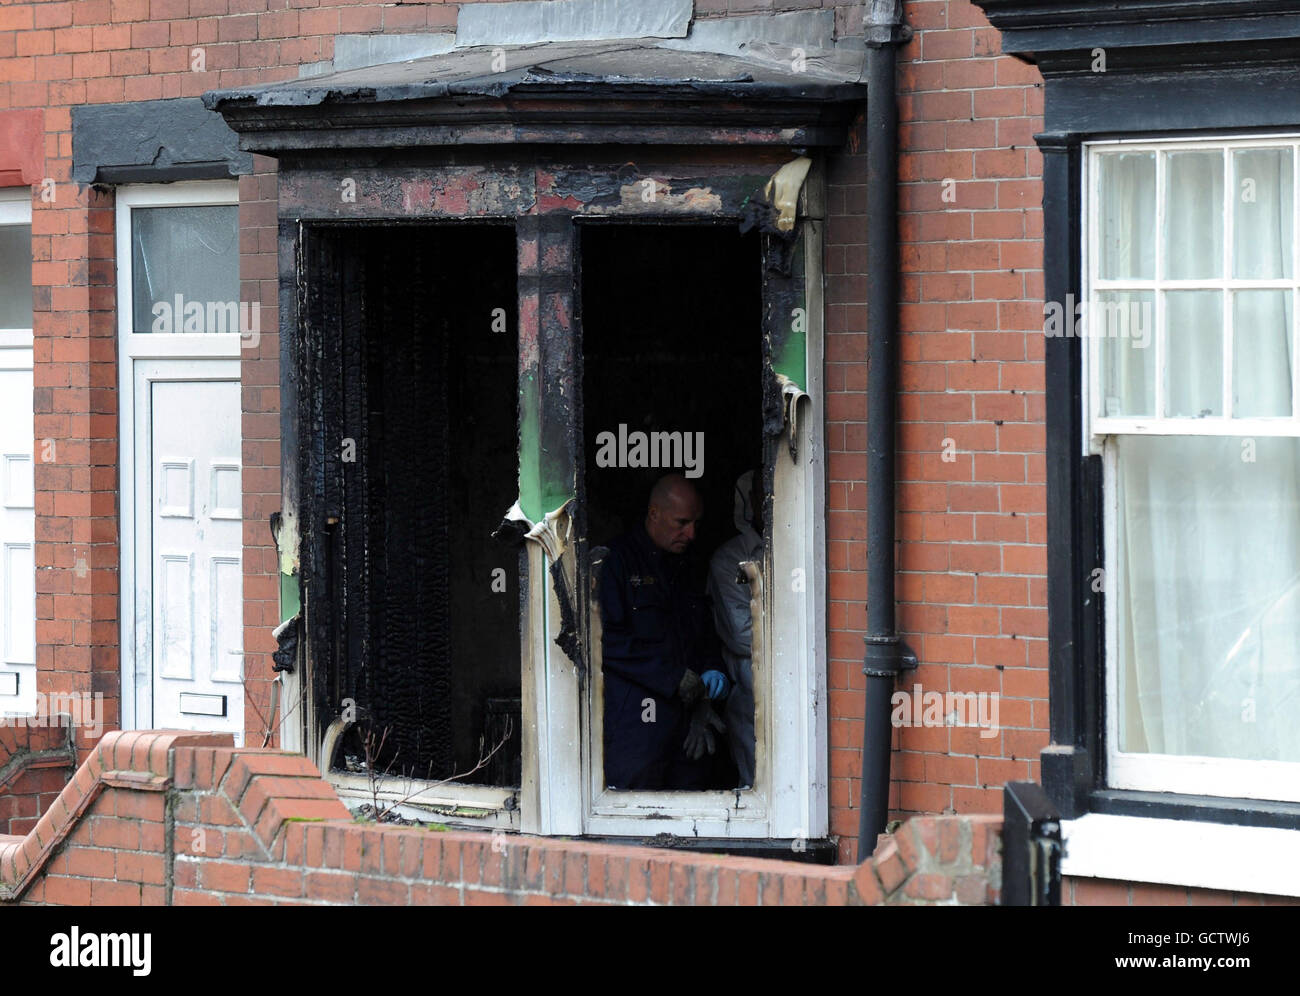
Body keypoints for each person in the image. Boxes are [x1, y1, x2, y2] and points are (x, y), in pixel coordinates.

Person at [598, 473, 730, 790]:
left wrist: (714, 671)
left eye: (696, 523)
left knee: (691, 820)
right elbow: (608, 642)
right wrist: (672, 677)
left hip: (691, 725)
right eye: (682, 522)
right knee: (634, 822)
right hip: (638, 727)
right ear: (654, 513)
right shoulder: (616, 562)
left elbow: (706, 633)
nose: (692, 533)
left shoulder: (689, 565)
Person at [707, 469, 762, 789]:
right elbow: (742, 635)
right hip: (750, 695)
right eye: (759, 490)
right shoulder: (730, 559)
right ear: (750, 499)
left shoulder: (799, 548)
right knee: (754, 787)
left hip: (800, 695)